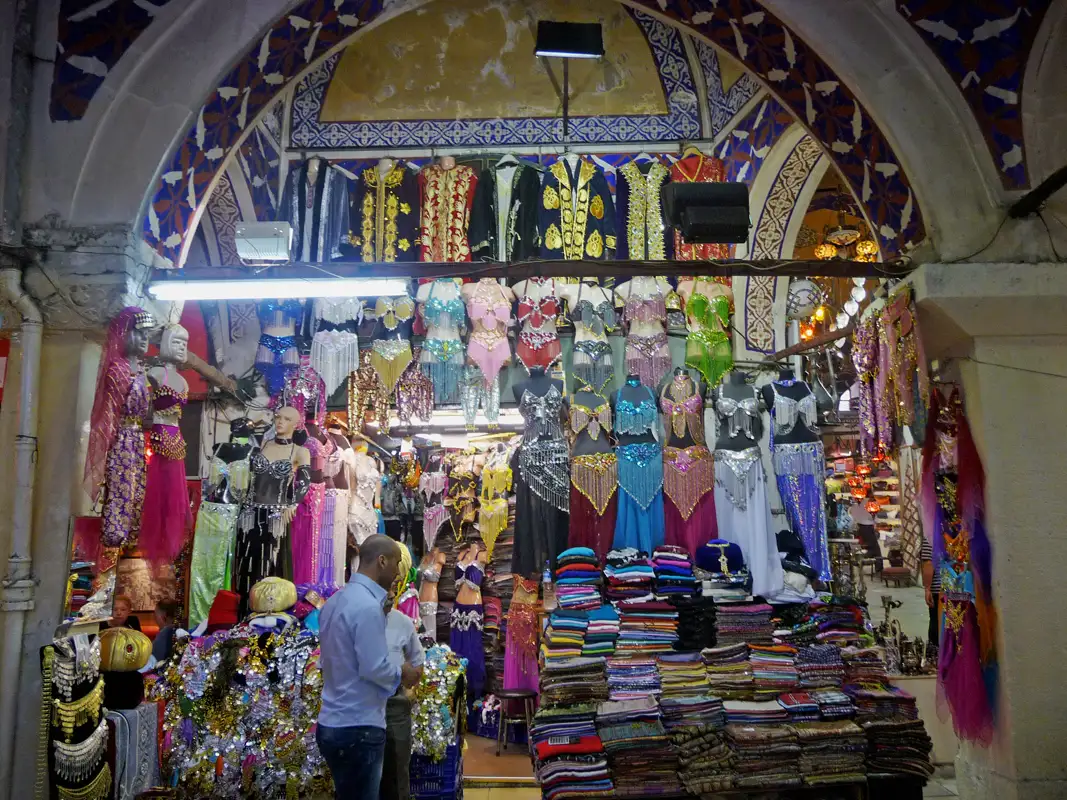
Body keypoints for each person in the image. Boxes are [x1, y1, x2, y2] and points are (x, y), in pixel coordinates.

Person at [317, 535, 421, 798]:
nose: (398, 573)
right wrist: (403, 673)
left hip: (331, 722)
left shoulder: (334, 603)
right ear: (382, 561)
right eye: (396, 564)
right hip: (359, 726)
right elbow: (374, 668)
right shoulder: (367, 607)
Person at [381, 590, 425, 800]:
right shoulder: (346, 616)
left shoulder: (402, 622)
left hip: (393, 707)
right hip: (356, 710)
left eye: (395, 585)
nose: (390, 592)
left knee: (397, 776)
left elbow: (417, 665)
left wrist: (406, 688)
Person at [920, 537, 940, 646]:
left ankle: (936, 655)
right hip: (959, 587)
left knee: (936, 623)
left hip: (939, 589)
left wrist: (927, 588)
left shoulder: (931, 534)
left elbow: (928, 563)